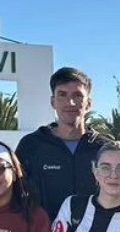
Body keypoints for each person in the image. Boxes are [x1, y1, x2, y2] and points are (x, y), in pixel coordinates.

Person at [16, 66, 108, 219]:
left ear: (88, 103)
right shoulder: (30, 146)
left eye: (77, 95)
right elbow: (15, 196)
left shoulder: (104, 148)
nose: (70, 102)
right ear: (53, 102)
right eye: (62, 95)